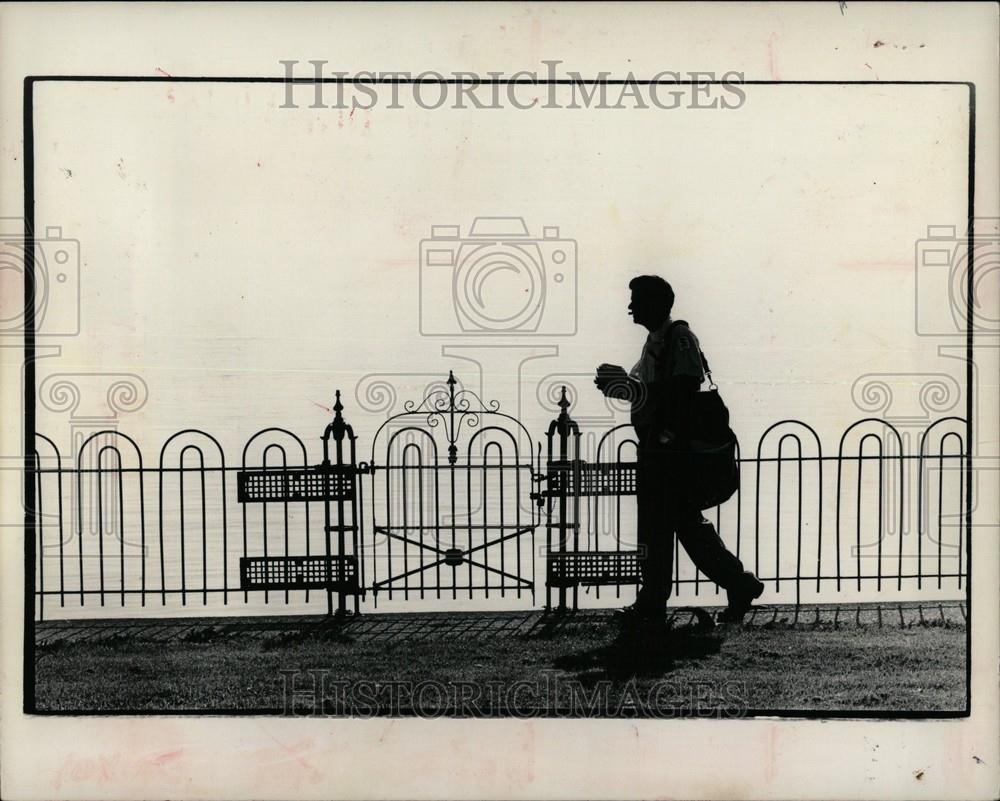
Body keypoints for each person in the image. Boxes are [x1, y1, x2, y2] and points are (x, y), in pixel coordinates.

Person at [594, 275, 764, 623]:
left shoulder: (680, 338)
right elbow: (655, 393)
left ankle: (656, 601)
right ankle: (732, 584)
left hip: (674, 454)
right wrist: (622, 388)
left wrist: (631, 389)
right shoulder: (655, 341)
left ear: (657, 304)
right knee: (678, 525)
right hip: (659, 451)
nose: (631, 307)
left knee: (665, 525)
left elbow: (682, 392)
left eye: (637, 300)